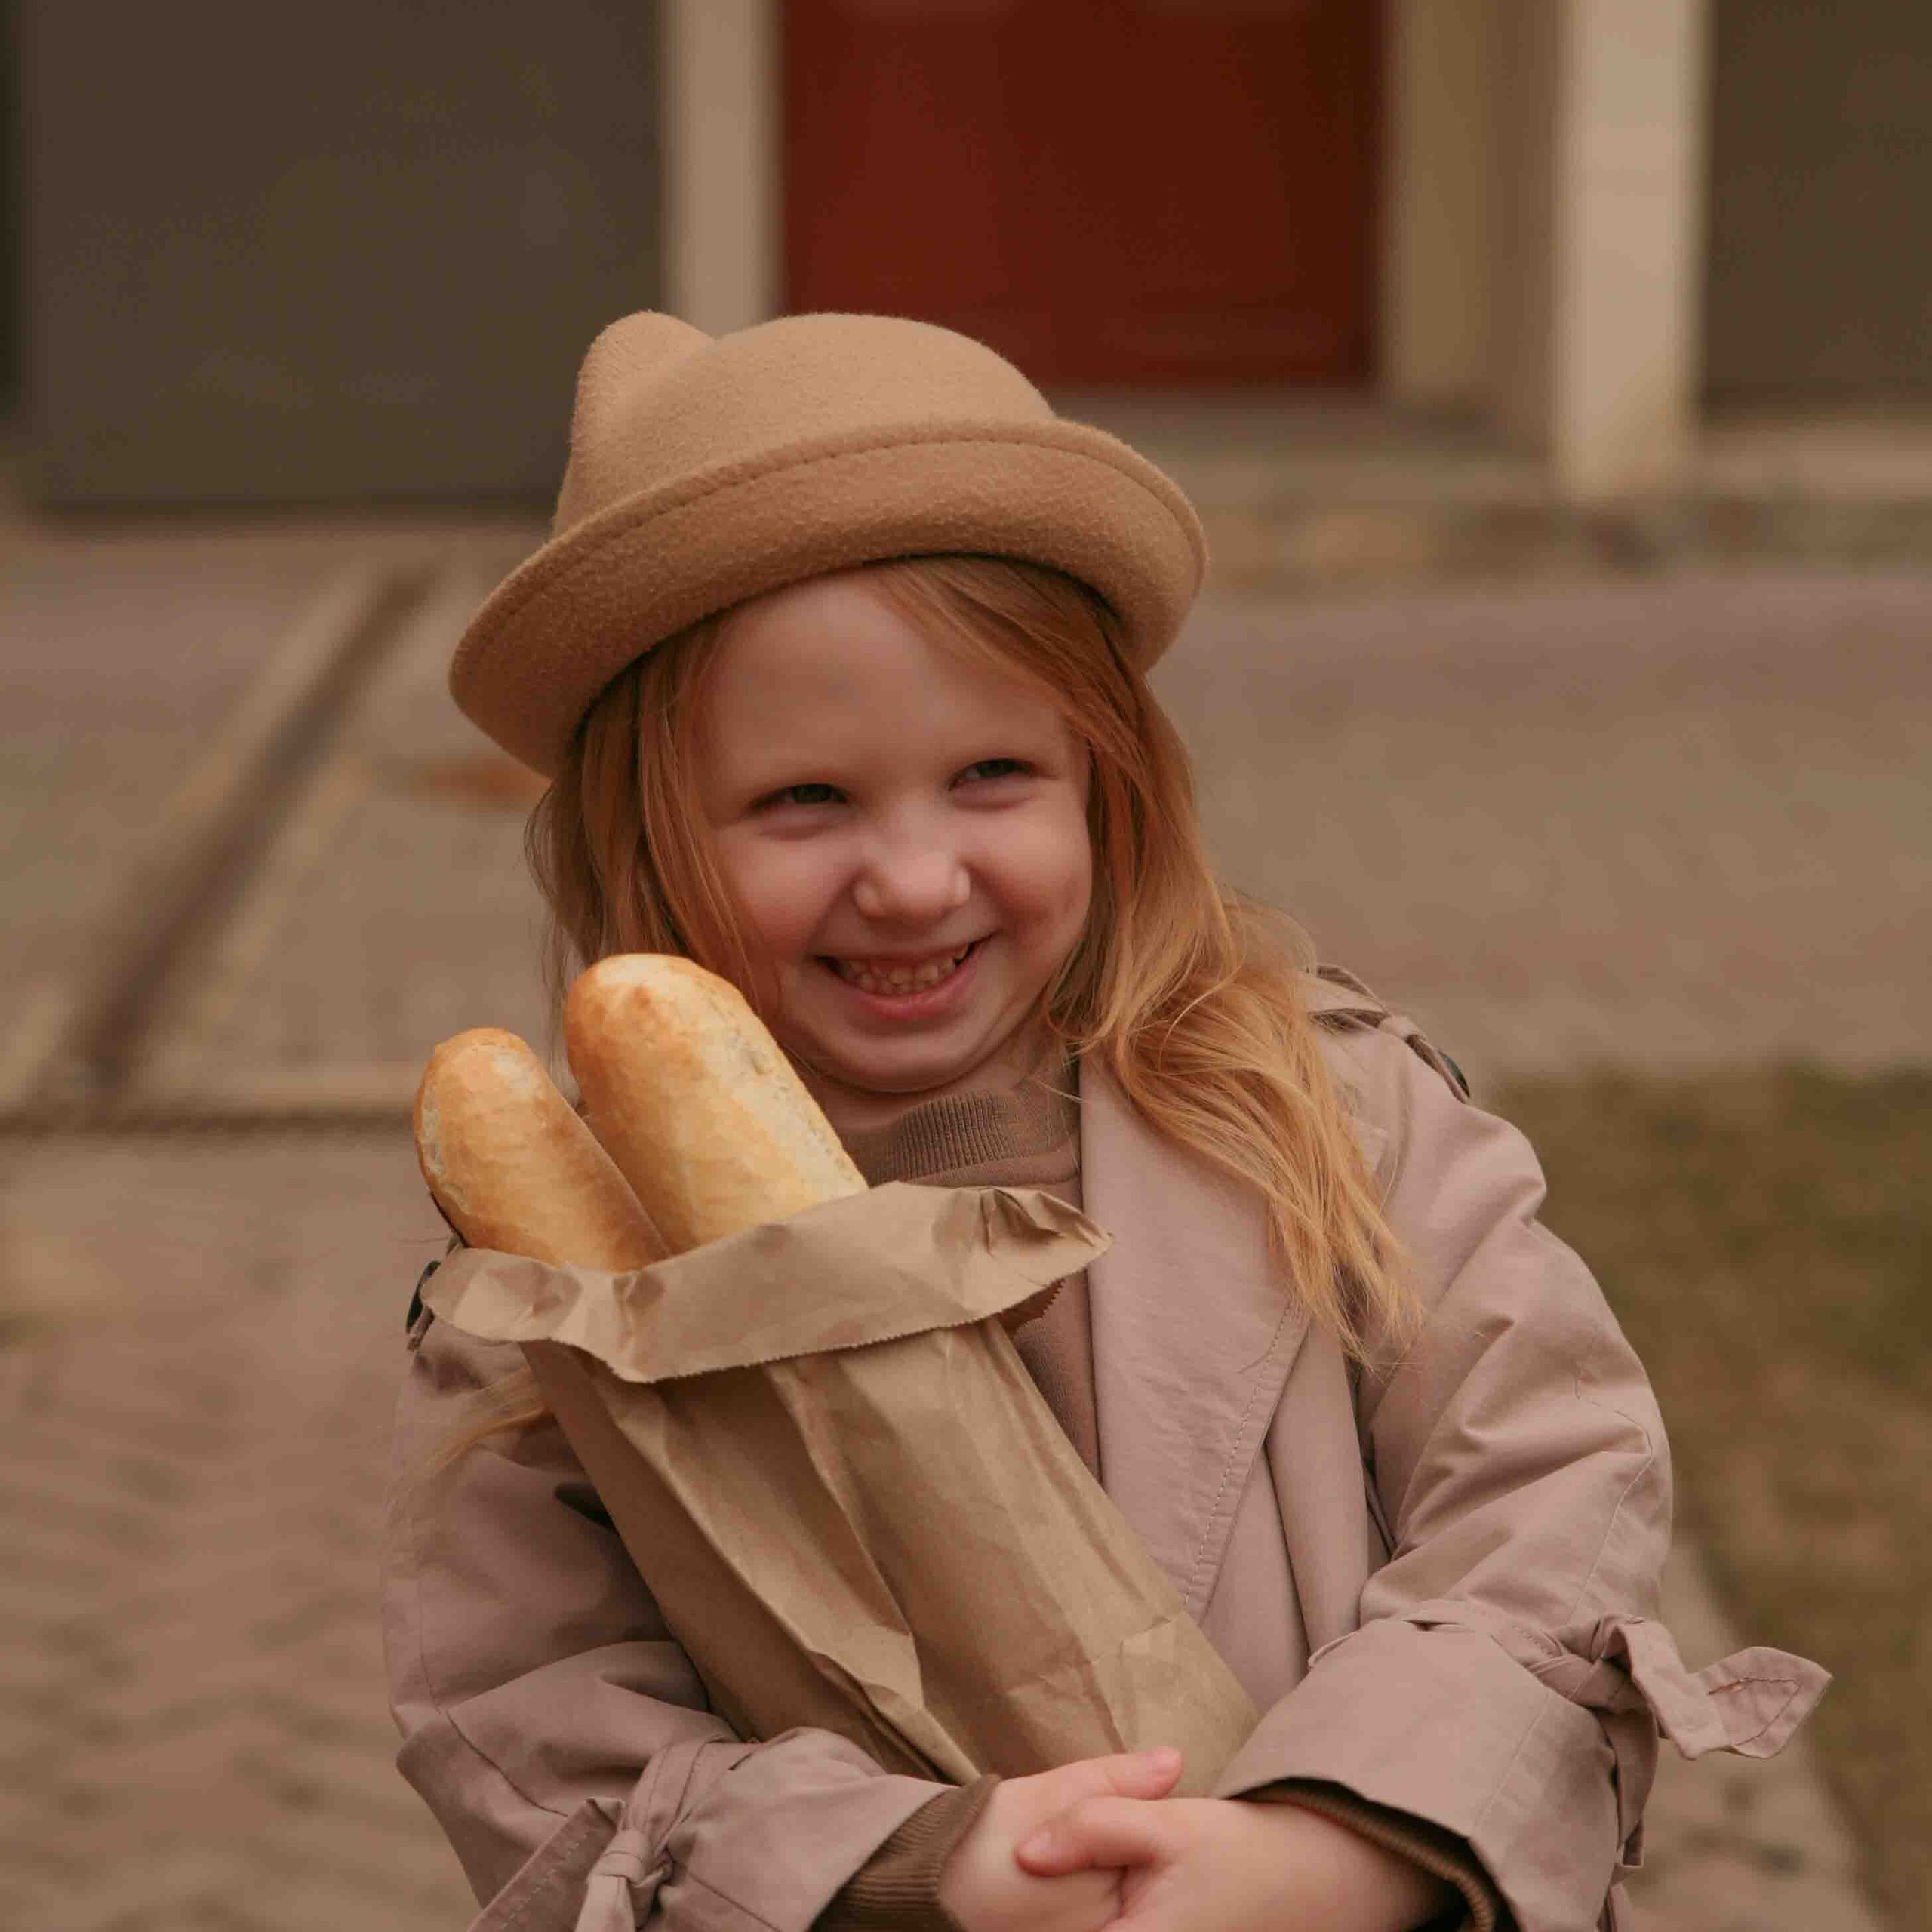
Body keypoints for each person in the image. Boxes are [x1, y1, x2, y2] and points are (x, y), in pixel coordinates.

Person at [383, 311, 1827, 1932]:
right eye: (804, 798)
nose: (915, 877)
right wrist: (917, 1867)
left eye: (991, 773)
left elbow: (1549, 1487)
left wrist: (1340, 1837)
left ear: (1106, 782)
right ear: (647, 840)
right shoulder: (565, 1287)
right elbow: (525, 1720)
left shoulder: (1317, 1108)